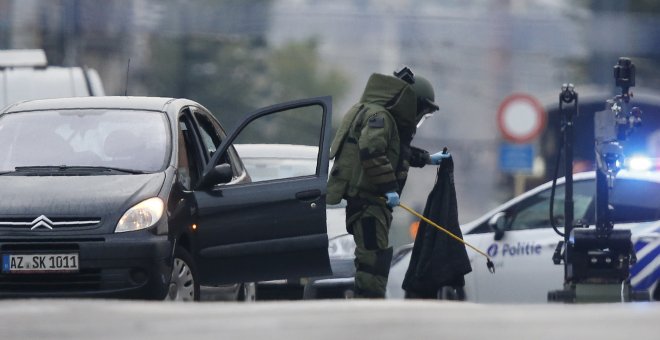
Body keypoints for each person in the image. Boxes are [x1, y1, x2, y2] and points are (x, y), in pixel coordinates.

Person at [326, 66, 447, 298]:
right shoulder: (380, 117)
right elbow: (372, 151)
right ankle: (369, 307)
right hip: (368, 204)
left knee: (372, 255)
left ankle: (368, 303)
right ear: (412, 102)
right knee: (373, 258)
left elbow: (396, 151)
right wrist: (389, 188)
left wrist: (427, 159)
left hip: (371, 201)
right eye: (422, 110)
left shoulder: (382, 116)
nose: (419, 117)